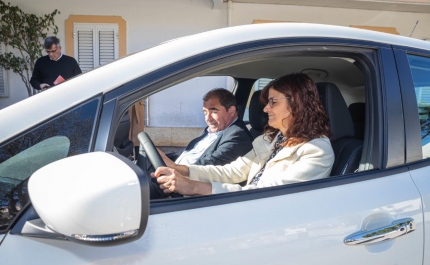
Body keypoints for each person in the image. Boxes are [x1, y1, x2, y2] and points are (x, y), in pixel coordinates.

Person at [152, 73, 335, 195]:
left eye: (273, 102)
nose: (265, 108)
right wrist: (179, 170)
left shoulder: (317, 150)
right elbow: (232, 171)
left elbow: (265, 193)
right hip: (247, 205)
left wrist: (194, 187)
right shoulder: (272, 138)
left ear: (296, 104)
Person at [161, 88, 253, 168]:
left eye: (214, 111)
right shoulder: (211, 130)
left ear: (231, 111)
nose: (207, 118)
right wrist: (163, 157)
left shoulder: (238, 136)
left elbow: (211, 164)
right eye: (205, 112)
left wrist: (175, 168)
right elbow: (190, 153)